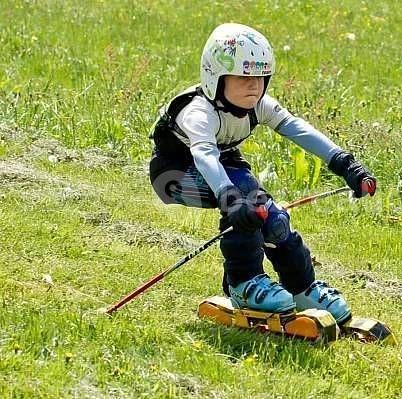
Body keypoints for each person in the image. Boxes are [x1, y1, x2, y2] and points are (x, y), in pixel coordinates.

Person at [149, 23, 376, 324]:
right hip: (173, 177)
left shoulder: (259, 105)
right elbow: (204, 154)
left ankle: (301, 289)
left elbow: (298, 129)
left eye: (260, 77)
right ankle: (242, 285)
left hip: (226, 167)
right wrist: (228, 196)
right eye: (244, 77)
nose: (254, 86)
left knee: (273, 218)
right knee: (247, 202)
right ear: (215, 76)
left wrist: (346, 164)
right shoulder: (197, 111)